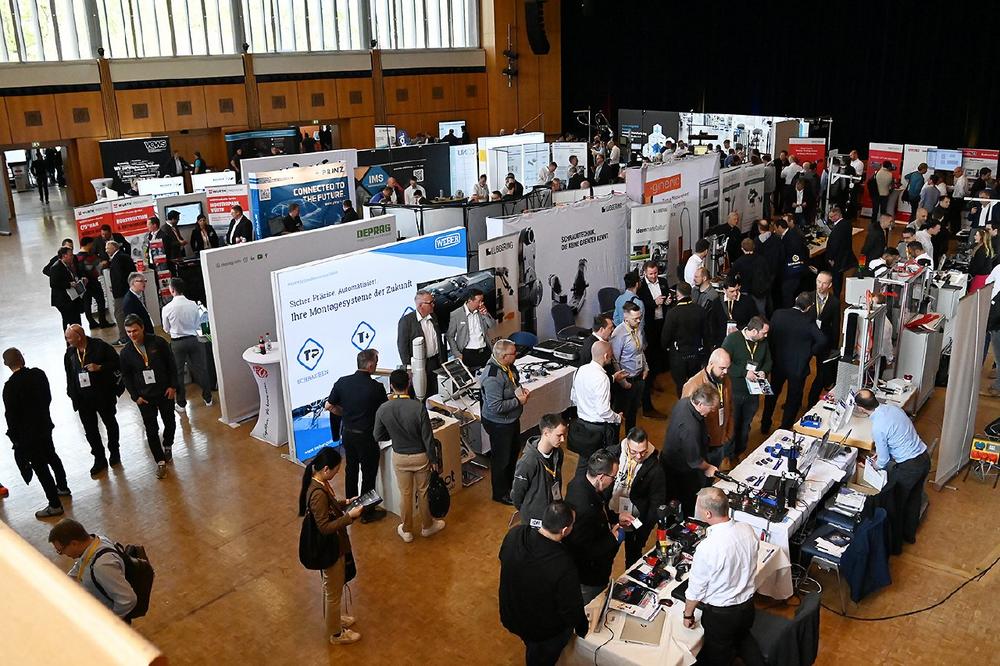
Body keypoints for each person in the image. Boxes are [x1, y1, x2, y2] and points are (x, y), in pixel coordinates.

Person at [498, 501, 589, 665]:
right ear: (564, 530)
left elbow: (502, 557)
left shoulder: (516, 534)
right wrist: (582, 627)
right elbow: (571, 606)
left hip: (512, 613)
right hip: (542, 631)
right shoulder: (563, 563)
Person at [683, 487, 762, 666]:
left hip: (721, 617)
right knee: (743, 638)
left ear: (708, 514)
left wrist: (688, 615)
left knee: (718, 656)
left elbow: (696, 590)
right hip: (747, 608)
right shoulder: (747, 529)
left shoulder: (707, 548)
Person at [297, 447, 364, 645]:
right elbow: (325, 527)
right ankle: (336, 633)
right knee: (333, 592)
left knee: (332, 589)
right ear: (326, 469)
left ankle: (334, 619)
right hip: (330, 549)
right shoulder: (318, 494)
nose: (336, 474)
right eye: (335, 470)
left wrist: (346, 502)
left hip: (333, 546)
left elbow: (330, 506)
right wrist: (349, 517)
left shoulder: (319, 483)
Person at [853, 390, 931, 554]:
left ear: (860, 408)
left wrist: (872, 466)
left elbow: (883, 460)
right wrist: (881, 453)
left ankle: (895, 547)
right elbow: (898, 434)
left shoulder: (878, 427)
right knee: (914, 498)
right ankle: (909, 535)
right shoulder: (893, 409)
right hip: (923, 458)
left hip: (909, 467)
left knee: (896, 505)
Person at [373, 369, 445, 542]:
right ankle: (427, 526)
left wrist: (393, 436)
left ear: (391, 386)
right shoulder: (418, 407)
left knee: (405, 494)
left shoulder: (383, 408)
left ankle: (406, 530)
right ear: (409, 384)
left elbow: (377, 435)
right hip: (420, 456)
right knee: (424, 492)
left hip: (400, 456)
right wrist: (433, 459)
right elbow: (428, 437)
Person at [2, 348, 70, 519]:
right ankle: (62, 487)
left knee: (40, 468)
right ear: (22, 358)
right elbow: (48, 398)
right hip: (44, 425)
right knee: (52, 456)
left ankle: (54, 505)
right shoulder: (38, 374)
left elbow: (11, 415)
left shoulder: (10, 387)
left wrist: (15, 438)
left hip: (28, 435)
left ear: (6, 364)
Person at [325, 349, 388, 524]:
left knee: (351, 470)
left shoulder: (342, 382)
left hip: (348, 435)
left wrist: (344, 414)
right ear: (370, 365)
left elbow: (329, 406)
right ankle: (367, 512)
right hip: (367, 437)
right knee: (368, 474)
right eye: (376, 363)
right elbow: (384, 412)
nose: (376, 366)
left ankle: (351, 508)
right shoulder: (376, 387)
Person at [119, 313, 176, 479]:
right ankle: (160, 461)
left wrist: (173, 386)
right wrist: (135, 396)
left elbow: (171, 365)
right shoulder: (126, 352)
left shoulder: (158, 342)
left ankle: (167, 444)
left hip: (165, 392)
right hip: (144, 398)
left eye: (135, 331)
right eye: (128, 332)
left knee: (170, 422)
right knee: (151, 430)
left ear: (142, 328)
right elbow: (126, 376)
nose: (132, 334)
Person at [761, 292, 826, 432]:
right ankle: (785, 427)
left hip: (778, 363)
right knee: (793, 398)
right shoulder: (808, 321)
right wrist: (810, 352)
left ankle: (765, 424)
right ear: (809, 307)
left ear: (796, 300)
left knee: (772, 394)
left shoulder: (778, 314)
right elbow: (822, 340)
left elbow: (770, 337)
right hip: (798, 366)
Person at [48, 519, 138, 619]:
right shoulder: (96, 541)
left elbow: (128, 600)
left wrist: (111, 620)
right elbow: (82, 562)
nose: (63, 554)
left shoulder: (102, 566)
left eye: (61, 551)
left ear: (74, 543)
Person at [564, 449, 621, 603]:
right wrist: (612, 538)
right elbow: (583, 549)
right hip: (589, 576)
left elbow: (601, 509)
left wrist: (616, 517)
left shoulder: (580, 482)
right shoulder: (584, 509)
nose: (614, 481)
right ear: (601, 477)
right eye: (613, 477)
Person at [64, 325, 121, 475]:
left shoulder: (100, 347)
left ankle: (114, 451)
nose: (67, 340)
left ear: (79, 337)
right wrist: (71, 393)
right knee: (90, 430)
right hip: (83, 399)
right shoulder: (70, 353)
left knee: (110, 423)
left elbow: (117, 363)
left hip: (103, 395)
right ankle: (99, 458)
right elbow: (69, 374)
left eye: (69, 337)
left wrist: (100, 367)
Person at [606, 428, 666, 566]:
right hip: (611, 515)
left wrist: (644, 530)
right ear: (627, 444)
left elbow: (656, 502)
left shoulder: (655, 468)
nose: (639, 456)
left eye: (643, 452)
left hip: (635, 521)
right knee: (606, 555)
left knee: (633, 558)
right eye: (633, 452)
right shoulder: (612, 454)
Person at [479, 339, 528, 505]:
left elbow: (513, 382)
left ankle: (510, 485)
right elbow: (495, 406)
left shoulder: (507, 366)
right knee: (502, 459)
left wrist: (520, 391)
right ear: (503, 356)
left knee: (513, 452)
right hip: (499, 423)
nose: (516, 355)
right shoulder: (492, 377)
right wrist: (518, 401)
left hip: (510, 420)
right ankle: (500, 493)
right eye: (514, 353)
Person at [661, 384, 720, 517]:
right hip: (681, 472)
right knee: (686, 503)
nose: (712, 411)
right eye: (711, 408)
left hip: (669, 461)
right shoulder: (690, 427)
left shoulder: (684, 402)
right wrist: (708, 467)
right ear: (700, 404)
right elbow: (695, 461)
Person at [722, 316, 772, 463]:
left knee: (746, 424)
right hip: (735, 392)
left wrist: (764, 371)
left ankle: (740, 451)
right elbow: (725, 365)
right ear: (754, 331)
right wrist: (744, 373)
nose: (766, 336)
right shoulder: (732, 340)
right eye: (764, 333)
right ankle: (728, 456)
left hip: (753, 392)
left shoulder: (763, 342)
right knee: (732, 425)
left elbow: (768, 361)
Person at [569, 340, 622, 476]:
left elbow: (573, 397)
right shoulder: (602, 378)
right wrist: (617, 418)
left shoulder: (580, 370)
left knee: (583, 463)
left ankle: (578, 485)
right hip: (598, 430)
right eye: (611, 354)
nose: (612, 357)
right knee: (603, 465)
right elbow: (603, 411)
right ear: (605, 356)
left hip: (582, 425)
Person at [161, 278, 213, 411]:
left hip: (177, 342)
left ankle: (181, 403)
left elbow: (166, 329)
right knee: (201, 369)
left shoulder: (167, 308)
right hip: (194, 340)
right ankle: (208, 398)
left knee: (178, 373)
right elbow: (198, 324)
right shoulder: (193, 305)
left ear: (172, 290)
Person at [512, 413, 568, 527]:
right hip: (534, 517)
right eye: (559, 435)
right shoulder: (527, 462)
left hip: (552, 510)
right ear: (546, 433)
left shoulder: (558, 453)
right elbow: (517, 495)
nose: (563, 440)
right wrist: (528, 510)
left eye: (564, 435)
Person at [682, 349, 734, 468]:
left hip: (721, 439)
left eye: (727, 368)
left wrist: (729, 431)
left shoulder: (725, 379)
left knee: (714, 470)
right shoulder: (693, 385)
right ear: (711, 364)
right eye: (722, 368)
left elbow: (730, 406)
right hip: (704, 446)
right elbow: (686, 422)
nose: (726, 372)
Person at [661, 281, 710, 397]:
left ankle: (683, 405)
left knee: (681, 386)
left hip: (678, 356)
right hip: (696, 354)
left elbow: (665, 336)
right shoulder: (700, 310)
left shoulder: (672, 313)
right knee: (696, 385)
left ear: (677, 295)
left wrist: (666, 347)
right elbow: (707, 334)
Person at [637, 260, 671, 417]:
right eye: (650, 274)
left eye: (656, 273)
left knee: (660, 353)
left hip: (662, 322)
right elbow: (640, 306)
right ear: (645, 273)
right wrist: (653, 303)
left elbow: (667, 297)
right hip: (649, 325)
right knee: (650, 355)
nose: (653, 276)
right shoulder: (641, 287)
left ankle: (655, 377)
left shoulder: (663, 282)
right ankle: (648, 382)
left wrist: (667, 302)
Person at [397, 289, 446, 398]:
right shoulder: (406, 321)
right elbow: (402, 347)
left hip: (436, 362)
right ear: (420, 306)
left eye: (433, 301)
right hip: (420, 365)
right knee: (423, 394)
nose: (433, 305)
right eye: (430, 303)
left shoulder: (433, 317)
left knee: (437, 393)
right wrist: (409, 368)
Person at [610, 302, 650, 430]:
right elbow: (614, 360)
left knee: (633, 413)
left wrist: (646, 366)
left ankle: (630, 437)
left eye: (640, 317)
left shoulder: (637, 328)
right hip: (626, 381)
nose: (639, 321)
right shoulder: (618, 333)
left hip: (639, 377)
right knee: (620, 414)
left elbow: (640, 350)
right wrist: (623, 382)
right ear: (626, 318)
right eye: (635, 319)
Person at [807, 272, 841, 405]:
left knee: (822, 373)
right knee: (800, 372)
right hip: (807, 340)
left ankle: (812, 401)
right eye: (818, 281)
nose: (820, 286)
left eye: (824, 283)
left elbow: (836, 326)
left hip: (824, 341)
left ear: (830, 285)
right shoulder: (807, 297)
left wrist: (833, 348)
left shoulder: (834, 302)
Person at [446, 288, 496, 371]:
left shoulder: (482, 311)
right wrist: (457, 354)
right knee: (471, 377)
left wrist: (486, 314)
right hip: (467, 354)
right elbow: (450, 336)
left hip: (484, 351)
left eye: (482, 301)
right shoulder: (456, 314)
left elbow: (492, 325)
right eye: (479, 301)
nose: (481, 304)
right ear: (470, 300)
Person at [708, 277, 758, 349]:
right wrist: (714, 343)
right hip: (722, 343)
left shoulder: (748, 301)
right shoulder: (717, 303)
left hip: (742, 342)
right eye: (732, 291)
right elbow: (713, 324)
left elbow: (754, 321)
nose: (735, 294)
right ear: (724, 290)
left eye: (737, 290)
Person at [106, 241, 137, 345]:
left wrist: (116, 288)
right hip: (129, 289)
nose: (106, 250)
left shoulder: (117, 259)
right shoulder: (125, 256)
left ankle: (124, 337)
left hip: (121, 292)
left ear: (114, 247)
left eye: (108, 248)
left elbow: (119, 276)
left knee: (119, 314)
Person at [730, 238, 770, 316]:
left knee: (745, 312)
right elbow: (767, 274)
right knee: (760, 314)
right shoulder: (762, 260)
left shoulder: (739, 261)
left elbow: (731, 276)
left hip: (745, 291)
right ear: (754, 247)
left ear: (742, 248)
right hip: (760, 291)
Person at [775, 215, 808, 307]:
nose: (774, 231)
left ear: (779, 227)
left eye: (775, 228)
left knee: (787, 294)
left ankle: (790, 311)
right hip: (793, 270)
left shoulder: (790, 238)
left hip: (792, 272)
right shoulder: (791, 234)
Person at [48, 246, 84, 332]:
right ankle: (71, 337)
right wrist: (68, 284)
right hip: (63, 300)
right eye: (70, 255)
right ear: (64, 256)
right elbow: (53, 284)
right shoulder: (56, 267)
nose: (72, 256)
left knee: (76, 319)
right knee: (69, 320)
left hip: (71, 297)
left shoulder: (68, 265)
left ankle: (79, 334)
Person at [824, 205, 857, 297]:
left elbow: (835, 244)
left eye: (831, 217)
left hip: (837, 258)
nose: (830, 219)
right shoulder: (847, 224)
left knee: (836, 278)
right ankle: (837, 295)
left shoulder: (838, 228)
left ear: (837, 215)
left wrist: (830, 258)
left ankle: (836, 296)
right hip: (843, 256)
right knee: (839, 277)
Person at [122, 272, 155, 336]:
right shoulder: (129, 301)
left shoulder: (136, 295)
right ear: (133, 283)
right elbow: (132, 323)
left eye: (145, 281)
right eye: (141, 281)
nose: (144, 283)